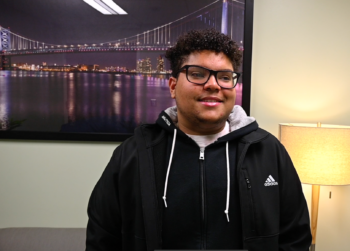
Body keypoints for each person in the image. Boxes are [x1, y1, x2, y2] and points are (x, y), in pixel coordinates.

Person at [86, 29, 311, 251]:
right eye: (197, 74)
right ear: (173, 86)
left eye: (224, 77)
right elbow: (102, 239)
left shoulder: (267, 150)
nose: (213, 84)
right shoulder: (133, 153)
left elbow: (295, 237)